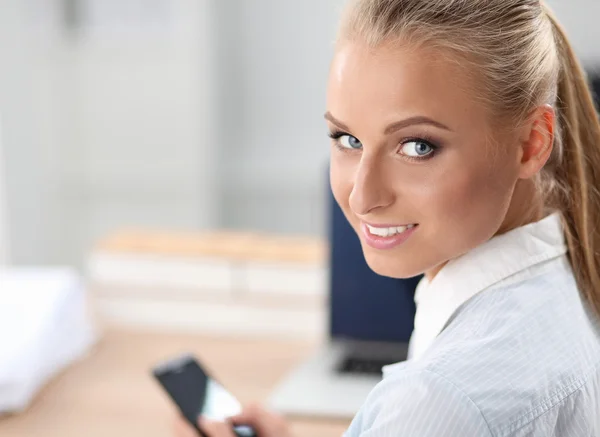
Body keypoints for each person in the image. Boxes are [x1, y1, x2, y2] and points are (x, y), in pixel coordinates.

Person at [176, 0, 600, 435]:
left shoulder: (439, 401)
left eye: (417, 146)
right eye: (348, 138)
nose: (363, 196)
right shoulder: (575, 282)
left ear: (531, 144)